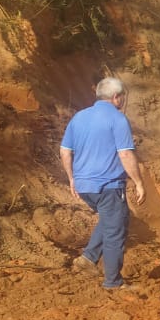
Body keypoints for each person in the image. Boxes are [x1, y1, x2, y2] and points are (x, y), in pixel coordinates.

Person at [60, 77, 146, 290]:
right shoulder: (117, 119)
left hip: (84, 186)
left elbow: (65, 151)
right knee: (115, 230)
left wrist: (72, 178)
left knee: (113, 218)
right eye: (122, 96)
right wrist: (138, 182)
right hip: (108, 186)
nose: (122, 100)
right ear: (116, 97)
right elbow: (125, 154)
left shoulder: (79, 117)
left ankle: (88, 258)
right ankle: (113, 282)